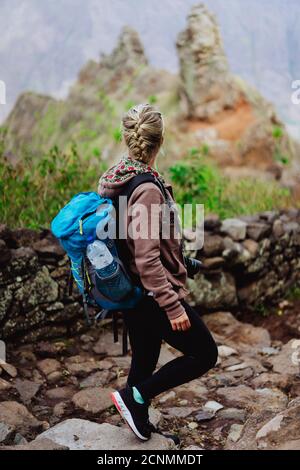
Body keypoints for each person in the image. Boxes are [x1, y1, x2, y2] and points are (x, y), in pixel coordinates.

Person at [98, 103, 218, 441]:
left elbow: (139, 240)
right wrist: (172, 304)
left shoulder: (120, 174)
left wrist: (182, 262)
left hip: (133, 291)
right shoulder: (148, 189)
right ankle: (134, 397)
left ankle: (138, 415)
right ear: (160, 141)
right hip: (152, 293)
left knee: (144, 362)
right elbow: (147, 257)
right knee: (205, 353)